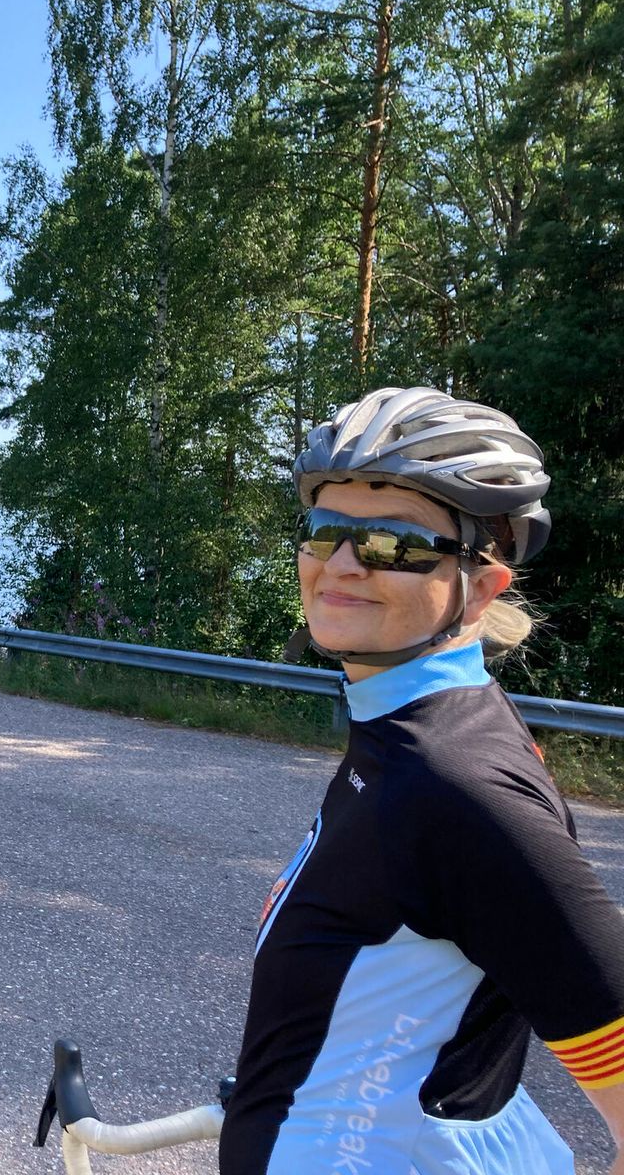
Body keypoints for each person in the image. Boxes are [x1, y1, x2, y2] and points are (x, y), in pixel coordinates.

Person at [219, 386, 624, 1175]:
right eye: (324, 532)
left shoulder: (456, 785)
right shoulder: (419, 725)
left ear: (481, 587)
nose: (340, 565)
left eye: (394, 544)